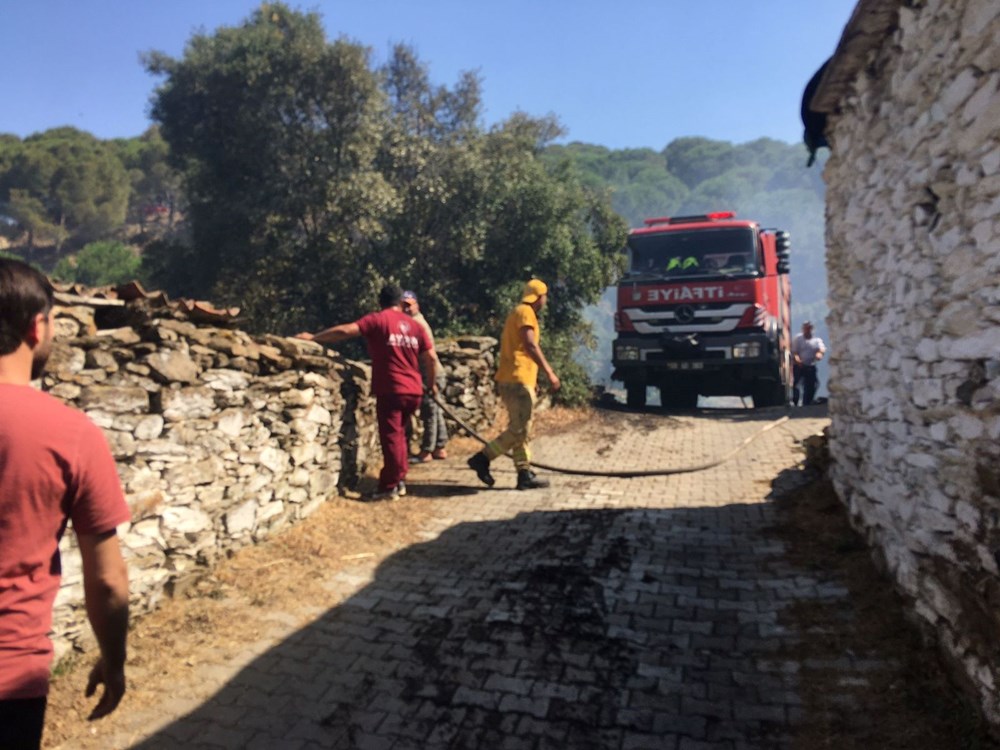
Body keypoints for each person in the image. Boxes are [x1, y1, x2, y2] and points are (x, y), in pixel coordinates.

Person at [0, 259, 131, 750]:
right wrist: (113, 661)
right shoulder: (70, 434)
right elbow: (108, 580)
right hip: (10, 680)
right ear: (37, 327)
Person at [296, 284, 436, 500]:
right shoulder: (415, 326)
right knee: (400, 435)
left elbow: (346, 331)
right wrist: (432, 384)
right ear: (401, 302)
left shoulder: (378, 320)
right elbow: (431, 358)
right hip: (414, 389)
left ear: (380, 302)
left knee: (391, 437)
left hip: (392, 387)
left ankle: (389, 486)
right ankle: (399, 480)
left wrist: (314, 338)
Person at [467, 278, 560, 491]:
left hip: (514, 378)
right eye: (545, 296)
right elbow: (530, 345)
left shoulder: (517, 312)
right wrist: (549, 372)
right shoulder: (526, 313)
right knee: (520, 430)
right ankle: (482, 458)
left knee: (521, 428)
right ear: (540, 297)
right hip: (518, 379)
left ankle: (524, 473)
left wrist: (533, 380)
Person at [401, 290, 449, 463]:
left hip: (430, 373)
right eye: (403, 305)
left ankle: (427, 450)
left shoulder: (416, 324)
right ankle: (439, 446)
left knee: (429, 412)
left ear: (417, 305)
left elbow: (430, 357)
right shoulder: (413, 323)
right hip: (431, 373)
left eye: (409, 305)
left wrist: (431, 382)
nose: (406, 309)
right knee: (435, 410)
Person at [792, 320, 827, 406]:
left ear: (812, 329)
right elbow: (795, 352)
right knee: (797, 385)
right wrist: (798, 360)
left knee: (812, 385)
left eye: (809, 328)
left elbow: (822, 349)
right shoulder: (798, 339)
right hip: (799, 366)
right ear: (803, 329)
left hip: (810, 365)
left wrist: (819, 354)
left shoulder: (816, 340)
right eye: (806, 328)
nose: (807, 330)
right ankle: (795, 401)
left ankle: (807, 402)